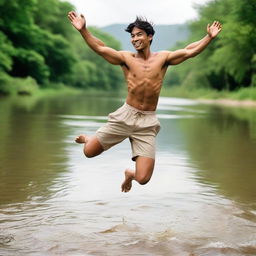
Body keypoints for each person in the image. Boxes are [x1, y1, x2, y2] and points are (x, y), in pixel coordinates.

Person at [67, 11, 222, 192]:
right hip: (126, 115)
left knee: (143, 179)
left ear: (150, 37)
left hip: (147, 121)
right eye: (132, 36)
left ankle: (129, 174)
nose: (134, 39)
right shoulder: (126, 58)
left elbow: (189, 51)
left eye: (139, 34)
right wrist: (83, 30)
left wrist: (208, 37)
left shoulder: (163, 58)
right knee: (88, 152)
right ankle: (89, 139)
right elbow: (101, 48)